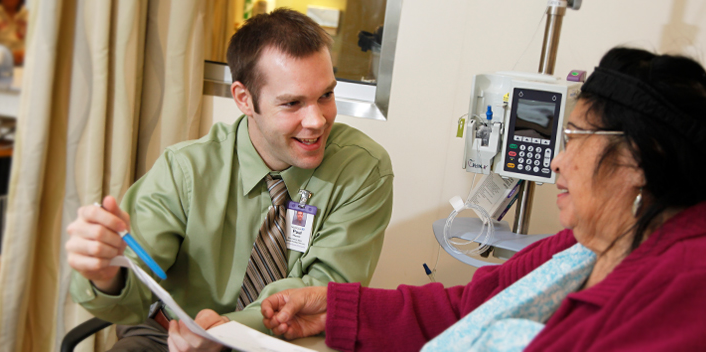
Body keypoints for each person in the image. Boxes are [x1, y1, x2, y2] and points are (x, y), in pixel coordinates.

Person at [262, 47, 706, 351]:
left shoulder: (688, 284)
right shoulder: (580, 246)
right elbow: (468, 309)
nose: (556, 162)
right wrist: (338, 309)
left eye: (575, 139)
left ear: (640, 159)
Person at [66, 8, 393, 352]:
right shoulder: (185, 171)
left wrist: (228, 333)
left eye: (325, 95)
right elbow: (130, 297)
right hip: (172, 337)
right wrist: (107, 275)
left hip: (291, 341)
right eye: (292, 103)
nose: (316, 120)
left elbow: (327, 292)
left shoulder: (362, 170)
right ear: (244, 99)